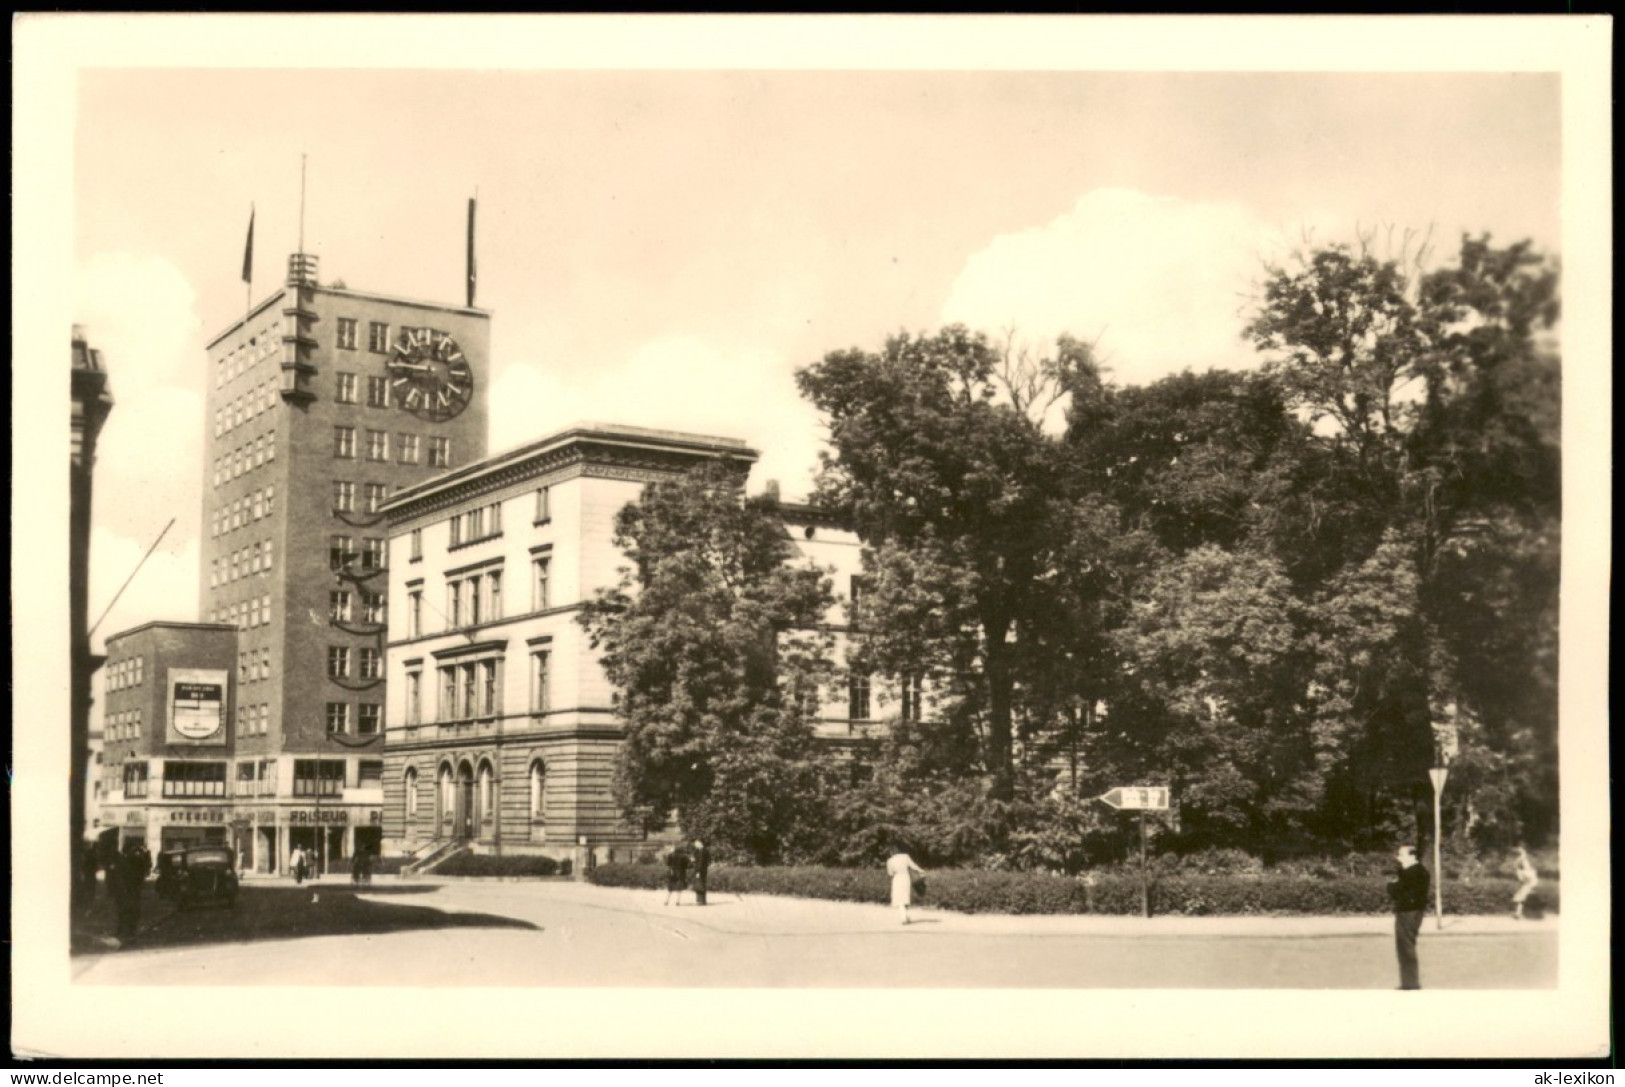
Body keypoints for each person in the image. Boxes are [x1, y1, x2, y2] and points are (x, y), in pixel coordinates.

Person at [1386, 843, 1430, 990]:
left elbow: (1398, 891)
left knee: (1406, 947)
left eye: (1401, 855)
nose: (1398, 858)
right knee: (1405, 947)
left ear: (1412, 856)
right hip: (1410, 911)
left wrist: (1392, 886)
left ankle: (1410, 984)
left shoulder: (1414, 872)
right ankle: (1408, 982)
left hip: (1408, 912)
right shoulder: (1415, 871)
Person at [886, 844, 926, 926]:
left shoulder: (890, 861)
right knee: (905, 897)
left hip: (897, 879)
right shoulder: (905, 857)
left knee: (899, 898)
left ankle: (903, 917)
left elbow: (890, 873)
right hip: (905, 877)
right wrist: (921, 870)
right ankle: (906, 916)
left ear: (891, 852)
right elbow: (913, 866)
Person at [1511, 845, 1539, 920]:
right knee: (1520, 898)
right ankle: (1518, 913)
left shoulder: (1525, 867)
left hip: (1529, 883)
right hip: (1528, 883)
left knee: (1521, 898)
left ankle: (1519, 913)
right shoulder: (1522, 868)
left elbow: (1526, 877)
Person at [690, 839, 711, 906]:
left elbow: (701, 862)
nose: (695, 845)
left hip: (700, 870)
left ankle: (702, 901)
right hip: (702, 869)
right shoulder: (701, 850)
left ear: (700, 843)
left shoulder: (702, 851)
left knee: (700, 884)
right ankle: (701, 900)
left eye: (696, 844)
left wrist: (698, 871)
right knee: (700, 884)